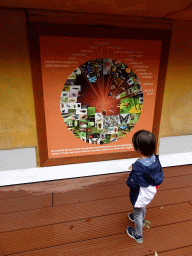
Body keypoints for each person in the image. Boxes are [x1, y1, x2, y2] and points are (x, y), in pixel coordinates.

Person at [126, 130, 163, 244]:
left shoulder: (139, 168)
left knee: (137, 210)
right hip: (151, 189)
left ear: (137, 148)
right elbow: (147, 168)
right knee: (143, 205)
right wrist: (134, 166)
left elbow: (132, 183)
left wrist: (128, 179)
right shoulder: (154, 158)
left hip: (141, 193)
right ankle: (141, 220)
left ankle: (138, 235)